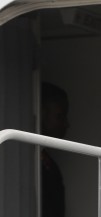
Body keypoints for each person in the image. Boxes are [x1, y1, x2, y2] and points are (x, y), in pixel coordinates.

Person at [40, 82, 69, 217]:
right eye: (60, 116)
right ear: (41, 113)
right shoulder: (21, 164)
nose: (67, 124)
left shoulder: (50, 166)